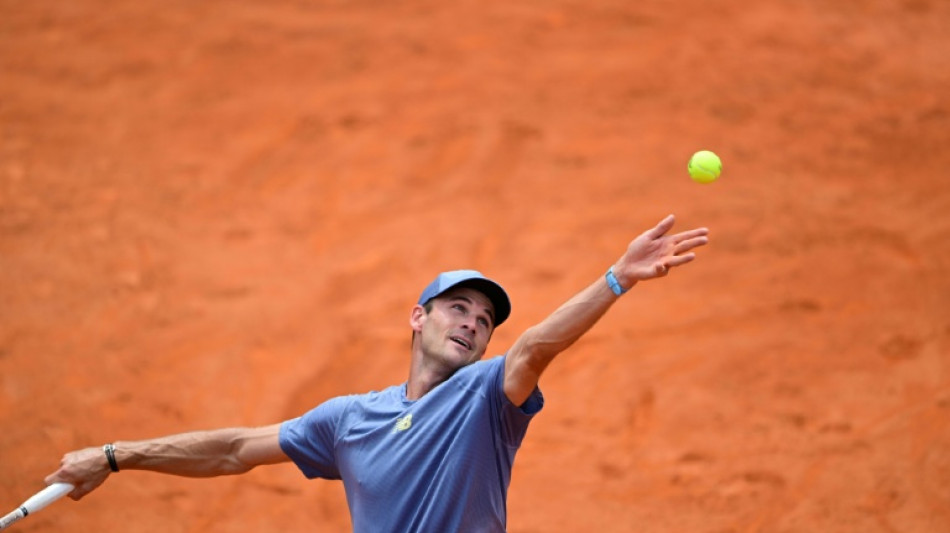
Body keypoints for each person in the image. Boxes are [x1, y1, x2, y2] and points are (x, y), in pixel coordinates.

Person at [45, 214, 709, 532]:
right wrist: (114, 455)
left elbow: (535, 346)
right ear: (418, 318)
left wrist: (617, 278)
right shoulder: (345, 420)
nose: (474, 322)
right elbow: (233, 450)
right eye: (459, 307)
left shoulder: (488, 398)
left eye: (484, 318)